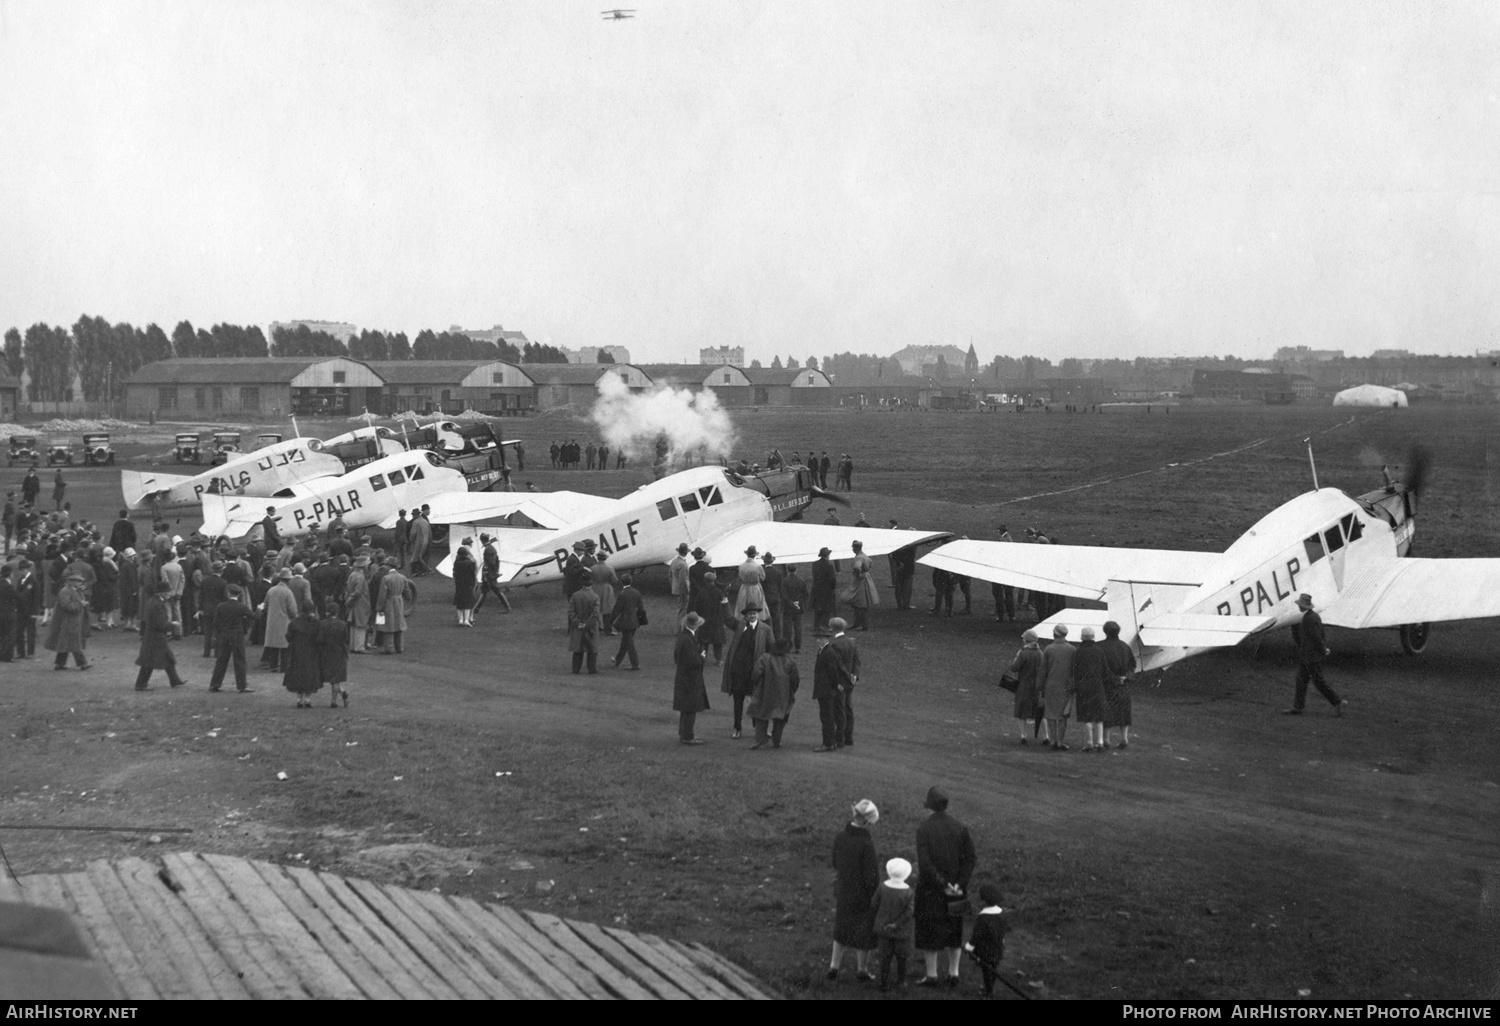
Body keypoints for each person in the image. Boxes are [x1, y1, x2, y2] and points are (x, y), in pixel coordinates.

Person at [914, 786, 977, 987]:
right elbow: (971, 858)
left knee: (929, 930)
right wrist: (959, 884)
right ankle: (954, 973)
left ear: (929, 806)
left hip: (931, 890)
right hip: (957, 892)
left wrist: (943, 885)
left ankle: (931, 975)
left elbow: (925, 864)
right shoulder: (960, 827)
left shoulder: (923, 829)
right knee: (954, 930)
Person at [828, 799, 880, 984]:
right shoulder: (866, 844)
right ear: (866, 821)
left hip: (843, 890)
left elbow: (834, 861)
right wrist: (874, 893)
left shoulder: (840, 837)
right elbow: (872, 876)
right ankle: (862, 970)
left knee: (841, 927)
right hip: (862, 895)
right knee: (864, 932)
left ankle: (834, 967)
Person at [1285, 593, 1345, 716]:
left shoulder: (1309, 619)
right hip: (1310, 656)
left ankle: (1337, 702)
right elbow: (1320, 635)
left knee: (1316, 682)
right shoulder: (1313, 617)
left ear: (1304, 606)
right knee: (1305, 681)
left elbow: (1316, 638)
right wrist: (1323, 649)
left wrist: (1322, 649)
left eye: (1300, 605)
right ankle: (1298, 707)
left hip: (1310, 657)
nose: (1299, 607)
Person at [721, 605, 772, 738]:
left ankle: (759, 729)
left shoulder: (765, 629)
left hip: (755, 672)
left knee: (756, 701)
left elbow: (771, 649)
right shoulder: (740, 626)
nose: (752, 616)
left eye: (754, 614)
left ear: (758, 615)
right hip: (738, 671)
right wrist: (725, 601)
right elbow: (728, 619)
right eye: (750, 614)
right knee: (738, 702)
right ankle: (737, 728)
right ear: (745, 616)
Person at [870, 857, 916, 993]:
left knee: (885, 957)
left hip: (883, 929)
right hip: (902, 932)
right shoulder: (909, 892)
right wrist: (897, 924)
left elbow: (874, 903)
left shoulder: (882, 887)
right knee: (902, 957)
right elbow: (909, 912)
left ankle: (883, 983)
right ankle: (901, 982)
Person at [134, 579, 186, 689]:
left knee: (166, 658)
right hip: (156, 637)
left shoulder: (153, 601)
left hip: (153, 636)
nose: (169, 594)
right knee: (149, 662)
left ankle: (175, 680)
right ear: (161, 592)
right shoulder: (158, 605)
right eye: (167, 592)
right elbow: (160, 624)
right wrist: (172, 624)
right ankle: (141, 684)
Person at [747, 637, 798, 749]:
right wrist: (791, 691)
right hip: (783, 693)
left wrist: (756, 686)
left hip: (764, 691)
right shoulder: (791, 661)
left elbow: (756, 674)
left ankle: (760, 739)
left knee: (761, 715)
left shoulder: (765, 658)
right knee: (780, 717)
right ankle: (777, 740)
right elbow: (795, 680)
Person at [208, 583, 255, 692]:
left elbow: (215, 623)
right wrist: (259, 609)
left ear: (228, 594)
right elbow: (254, 616)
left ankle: (214, 684)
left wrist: (220, 633)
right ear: (238, 595)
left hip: (224, 635)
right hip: (237, 635)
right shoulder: (241, 607)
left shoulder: (221, 606)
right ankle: (242, 686)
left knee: (221, 660)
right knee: (239, 660)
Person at [964, 882, 1008, 999]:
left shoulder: (983, 918)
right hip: (998, 948)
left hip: (985, 951)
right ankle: (989, 988)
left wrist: (968, 946)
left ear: (984, 901)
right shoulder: (1002, 914)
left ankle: (989, 992)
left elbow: (976, 936)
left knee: (986, 971)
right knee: (993, 969)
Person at [673, 612, 709, 744]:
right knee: (691, 707)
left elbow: (677, 657)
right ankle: (688, 736)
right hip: (690, 678)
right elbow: (694, 661)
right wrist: (702, 656)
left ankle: (684, 733)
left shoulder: (683, 637)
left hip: (684, 677)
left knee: (686, 707)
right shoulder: (688, 640)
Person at [1099, 620, 1137, 748]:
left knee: (1107, 711)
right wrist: (1126, 677)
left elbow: (1101, 668)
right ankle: (1124, 738)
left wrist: (1114, 678)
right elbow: (1133, 664)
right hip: (1123, 684)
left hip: (1107, 685)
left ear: (1105, 631)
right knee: (1124, 712)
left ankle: (1106, 739)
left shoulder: (1101, 647)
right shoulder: (1125, 647)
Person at [44, 571, 91, 671]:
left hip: (73, 621)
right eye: (78, 581)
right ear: (70, 582)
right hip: (68, 621)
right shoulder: (65, 591)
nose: (80, 583)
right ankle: (83, 664)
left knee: (65, 643)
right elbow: (67, 606)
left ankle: (59, 664)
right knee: (75, 643)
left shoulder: (74, 590)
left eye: (80, 581)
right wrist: (81, 604)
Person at [1006, 629, 1047, 744]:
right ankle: (1046, 736)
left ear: (1026, 640)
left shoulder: (1023, 653)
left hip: (1024, 685)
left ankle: (1023, 735)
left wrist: (1016, 656)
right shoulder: (1041, 653)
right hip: (1038, 686)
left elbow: (1014, 668)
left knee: (1021, 711)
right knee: (1040, 712)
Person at [1072, 626, 1109, 753]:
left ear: (1082, 637)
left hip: (1083, 687)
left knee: (1086, 716)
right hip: (1098, 686)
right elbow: (1105, 670)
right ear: (1093, 637)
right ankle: (1100, 742)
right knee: (1099, 716)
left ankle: (1089, 743)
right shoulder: (1100, 651)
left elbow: (1075, 671)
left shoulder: (1079, 652)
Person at [1040, 624, 1076, 750]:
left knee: (1050, 713)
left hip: (1051, 685)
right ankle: (1060, 741)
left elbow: (1043, 670)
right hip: (1066, 686)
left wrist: (1040, 686)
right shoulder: (1072, 649)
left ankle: (1053, 740)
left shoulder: (1049, 649)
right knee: (1063, 715)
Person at [283, 601, 323, 708]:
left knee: (298, 673)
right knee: (309, 674)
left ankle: (299, 699)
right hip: (312, 652)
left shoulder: (294, 622)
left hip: (297, 652)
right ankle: (308, 699)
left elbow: (288, 637)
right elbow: (320, 639)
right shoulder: (316, 623)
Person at [260, 568, 298, 671]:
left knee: (273, 646)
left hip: (272, 621)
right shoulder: (288, 592)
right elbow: (292, 610)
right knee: (285, 647)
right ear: (288, 580)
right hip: (285, 621)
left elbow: (265, 605)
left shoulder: (271, 590)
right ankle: (284, 667)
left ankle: (273, 666)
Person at [608, 573, 646, 670]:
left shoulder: (622, 594)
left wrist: (610, 621)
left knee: (629, 643)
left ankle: (635, 664)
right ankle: (617, 660)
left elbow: (617, 609)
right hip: (635, 621)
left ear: (622, 582)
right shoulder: (636, 592)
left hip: (625, 622)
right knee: (625, 642)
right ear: (631, 582)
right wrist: (642, 621)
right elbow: (641, 608)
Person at [691, 571, 729, 664]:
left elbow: (696, 607)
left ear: (705, 580)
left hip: (704, 620)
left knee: (704, 642)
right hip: (717, 620)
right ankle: (718, 660)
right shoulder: (719, 593)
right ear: (714, 580)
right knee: (718, 643)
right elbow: (724, 607)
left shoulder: (701, 593)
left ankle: (702, 658)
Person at [376, 559, 412, 655]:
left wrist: (380, 607)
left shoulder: (386, 578)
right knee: (399, 624)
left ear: (389, 566)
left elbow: (382, 595)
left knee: (388, 625)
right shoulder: (403, 577)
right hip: (399, 602)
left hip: (389, 602)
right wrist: (407, 599)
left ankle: (389, 648)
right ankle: (399, 647)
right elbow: (407, 592)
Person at [319, 600, 350, 708]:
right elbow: (346, 639)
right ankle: (337, 697)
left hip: (327, 652)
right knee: (336, 678)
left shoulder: (323, 624)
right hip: (340, 652)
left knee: (332, 677)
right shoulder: (343, 624)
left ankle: (336, 698)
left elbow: (320, 639)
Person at [567, 581, 600, 674]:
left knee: (578, 648)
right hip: (591, 627)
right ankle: (592, 669)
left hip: (578, 626)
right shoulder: (595, 597)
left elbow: (571, 611)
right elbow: (595, 614)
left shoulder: (575, 595)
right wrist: (587, 624)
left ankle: (575, 668)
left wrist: (577, 622)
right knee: (592, 648)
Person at [474, 535, 511, 615]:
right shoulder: (491, 548)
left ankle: (507, 607)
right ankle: (476, 608)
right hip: (490, 574)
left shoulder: (488, 550)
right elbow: (496, 561)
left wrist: (488, 574)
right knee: (484, 591)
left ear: (482, 540)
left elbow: (491, 563)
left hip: (489, 575)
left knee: (495, 590)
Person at [848, 540, 878, 631]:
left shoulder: (859, 557)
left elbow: (857, 567)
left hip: (860, 581)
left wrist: (859, 574)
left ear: (855, 548)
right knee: (860, 603)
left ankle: (861, 625)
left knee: (860, 603)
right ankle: (858, 624)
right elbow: (870, 563)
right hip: (866, 578)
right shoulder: (864, 556)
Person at [345, 555, 371, 652]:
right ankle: (359, 647)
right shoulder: (360, 576)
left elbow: (348, 590)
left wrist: (348, 601)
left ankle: (353, 646)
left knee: (354, 624)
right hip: (360, 603)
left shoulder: (352, 574)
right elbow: (358, 592)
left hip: (354, 603)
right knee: (360, 625)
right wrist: (350, 600)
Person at [590, 552, 619, 635]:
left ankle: (593, 629)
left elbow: (589, 579)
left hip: (595, 588)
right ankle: (608, 631)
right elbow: (615, 580)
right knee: (607, 610)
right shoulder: (609, 568)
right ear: (605, 558)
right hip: (607, 589)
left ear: (598, 558)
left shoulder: (592, 568)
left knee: (595, 609)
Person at [780, 563, 807, 653]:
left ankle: (787, 646)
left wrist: (791, 603)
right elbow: (805, 595)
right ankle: (797, 647)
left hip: (788, 607)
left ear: (787, 570)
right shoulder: (801, 581)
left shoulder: (784, 581)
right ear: (796, 570)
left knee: (787, 629)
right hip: (798, 608)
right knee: (798, 628)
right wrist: (798, 603)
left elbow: (784, 595)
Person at [732, 546, 765, 618]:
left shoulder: (741, 566)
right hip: (755, 588)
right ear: (755, 555)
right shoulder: (758, 566)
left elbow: (740, 578)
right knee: (755, 606)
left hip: (744, 588)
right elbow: (762, 577)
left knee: (743, 606)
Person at [811, 547, 837, 635]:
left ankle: (816, 626)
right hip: (827, 590)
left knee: (817, 608)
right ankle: (824, 626)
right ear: (827, 555)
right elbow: (832, 580)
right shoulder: (829, 566)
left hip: (817, 589)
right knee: (826, 609)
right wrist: (833, 588)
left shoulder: (814, 564)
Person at [452, 543, 477, 627]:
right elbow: (473, 573)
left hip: (459, 584)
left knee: (460, 603)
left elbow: (454, 573)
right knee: (468, 603)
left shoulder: (456, 563)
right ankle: (466, 620)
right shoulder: (470, 563)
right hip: (468, 584)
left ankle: (460, 620)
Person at [668, 542, 691, 623]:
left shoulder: (674, 561)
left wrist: (673, 585)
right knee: (682, 611)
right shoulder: (682, 564)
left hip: (676, 589)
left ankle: (679, 629)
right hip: (682, 591)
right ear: (686, 553)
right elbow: (683, 580)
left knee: (680, 609)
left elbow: (670, 574)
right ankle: (679, 630)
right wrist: (686, 592)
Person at [0, 565, 17, 663]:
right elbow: (16, 597)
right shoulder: (9, 586)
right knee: (10, 635)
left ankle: (1, 654)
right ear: (10, 573)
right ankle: (8, 655)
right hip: (9, 613)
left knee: (1, 634)